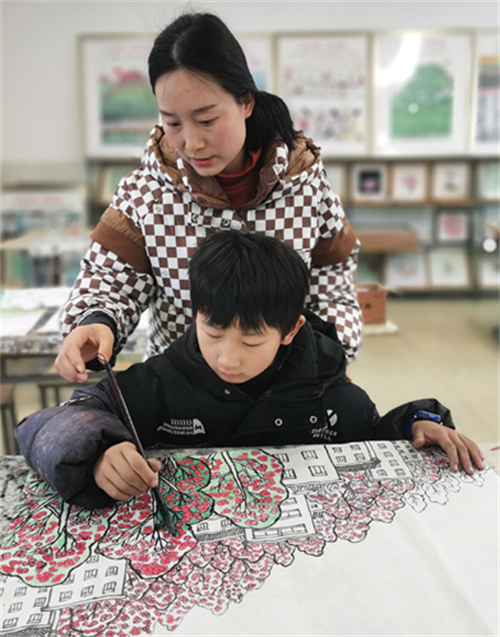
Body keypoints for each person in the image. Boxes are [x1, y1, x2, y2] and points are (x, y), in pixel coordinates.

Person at [17, 231, 484, 510]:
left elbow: (370, 439)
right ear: (196, 315)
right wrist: (99, 452)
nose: (228, 358)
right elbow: (47, 424)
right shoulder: (160, 382)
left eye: (252, 340)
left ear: (290, 330)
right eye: (213, 332)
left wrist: (415, 423)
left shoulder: (330, 394)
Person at [55, 11, 362, 385]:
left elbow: (333, 293)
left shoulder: (306, 186)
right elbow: (110, 281)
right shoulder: (146, 194)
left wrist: (324, 359)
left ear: (246, 102)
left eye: (206, 120)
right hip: (178, 395)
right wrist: (95, 321)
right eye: (173, 123)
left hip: (287, 393)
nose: (192, 143)